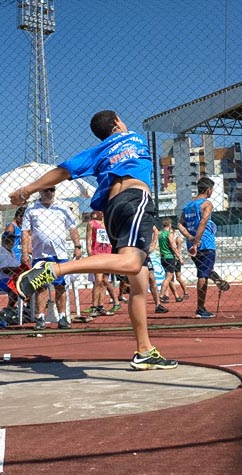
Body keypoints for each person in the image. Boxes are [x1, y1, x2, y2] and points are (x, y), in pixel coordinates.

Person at [9, 110, 177, 370]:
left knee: (139, 284)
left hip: (111, 210)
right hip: (136, 200)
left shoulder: (98, 151)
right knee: (132, 264)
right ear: (118, 122)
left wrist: (26, 190)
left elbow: (62, 170)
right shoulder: (134, 138)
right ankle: (55, 269)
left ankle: (144, 350)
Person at [21, 187, 82, 330]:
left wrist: (77, 246)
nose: (49, 193)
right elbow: (25, 232)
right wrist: (24, 253)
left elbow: (72, 228)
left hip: (60, 254)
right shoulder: (31, 209)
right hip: (40, 255)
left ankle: (62, 317)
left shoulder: (62, 208)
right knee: (41, 287)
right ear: (40, 192)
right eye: (46, 190)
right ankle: (41, 317)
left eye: (52, 190)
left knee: (60, 286)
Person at [179, 176, 230, 319]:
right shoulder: (207, 204)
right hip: (205, 243)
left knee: (204, 269)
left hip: (191, 245)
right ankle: (200, 308)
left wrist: (190, 239)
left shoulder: (188, 205)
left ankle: (216, 279)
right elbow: (203, 222)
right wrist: (197, 241)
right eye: (212, 189)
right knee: (202, 275)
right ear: (208, 190)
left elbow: (180, 224)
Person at [85, 210, 120, 318]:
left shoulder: (109, 224)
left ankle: (101, 305)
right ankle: (94, 306)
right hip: (97, 254)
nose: (102, 212)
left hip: (108, 254)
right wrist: (89, 252)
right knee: (98, 279)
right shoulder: (92, 223)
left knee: (105, 280)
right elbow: (89, 239)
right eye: (100, 210)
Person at [157, 218, 188, 303]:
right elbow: (173, 247)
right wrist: (180, 258)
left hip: (163, 257)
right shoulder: (168, 234)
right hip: (170, 257)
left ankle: (174, 296)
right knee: (169, 277)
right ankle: (161, 295)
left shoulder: (159, 234)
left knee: (168, 277)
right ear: (170, 225)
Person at [0, 232, 20, 316]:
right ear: (3, 240)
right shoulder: (0, 253)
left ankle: (26, 307)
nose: (10, 241)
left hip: (7, 279)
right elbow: (4, 269)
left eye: (12, 239)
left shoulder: (11, 252)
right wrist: (19, 270)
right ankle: (9, 308)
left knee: (24, 283)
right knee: (16, 283)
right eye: (7, 240)